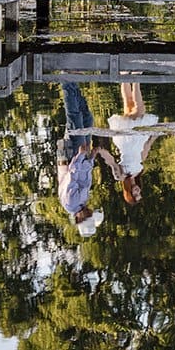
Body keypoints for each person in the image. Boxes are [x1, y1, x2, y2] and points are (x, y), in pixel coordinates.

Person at [56, 81, 104, 237]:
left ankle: (67, 83)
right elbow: (85, 176)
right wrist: (91, 157)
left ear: (79, 219)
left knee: (75, 119)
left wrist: (81, 154)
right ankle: (74, 84)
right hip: (81, 157)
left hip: (72, 156)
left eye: (88, 216)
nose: (90, 212)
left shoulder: (71, 202)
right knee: (87, 119)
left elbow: (72, 174)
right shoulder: (82, 202)